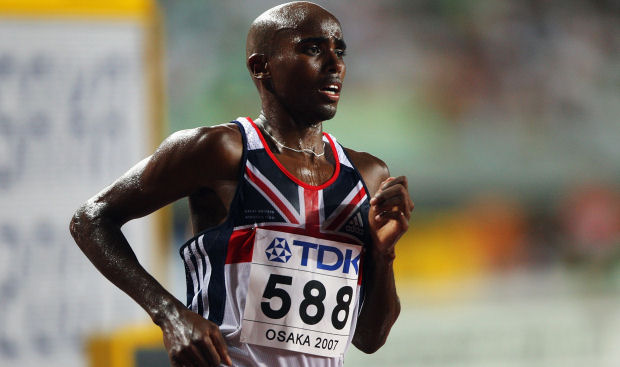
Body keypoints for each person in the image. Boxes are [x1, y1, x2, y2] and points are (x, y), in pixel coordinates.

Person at [70, 2, 414, 366]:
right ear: (260, 66)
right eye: (312, 49)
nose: (335, 64)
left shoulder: (367, 175)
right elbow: (91, 218)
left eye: (339, 50)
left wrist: (383, 253)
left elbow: (370, 338)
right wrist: (168, 314)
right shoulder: (221, 151)